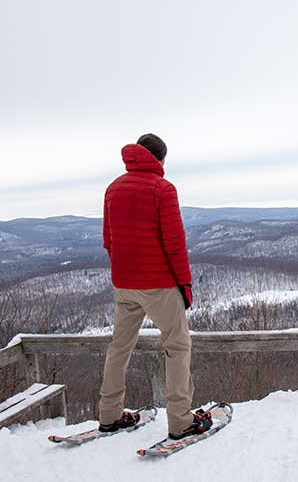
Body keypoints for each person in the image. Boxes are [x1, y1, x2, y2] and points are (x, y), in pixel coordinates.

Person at [97, 133, 212, 439]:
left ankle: (108, 415)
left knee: (119, 347)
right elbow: (175, 244)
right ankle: (180, 421)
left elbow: (108, 241)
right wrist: (184, 285)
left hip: (124, 285)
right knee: (177, 347)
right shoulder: (163, 189)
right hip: (159, 284)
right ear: (160, 159)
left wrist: (125, 271)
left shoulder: (113, 189)